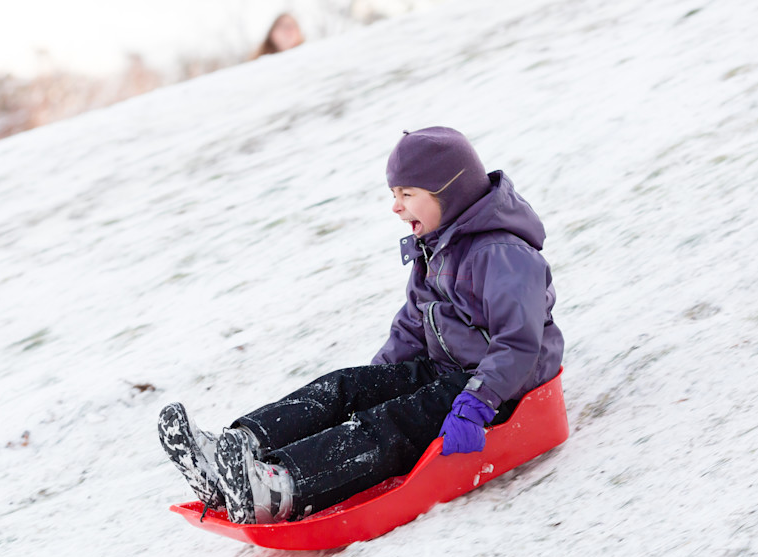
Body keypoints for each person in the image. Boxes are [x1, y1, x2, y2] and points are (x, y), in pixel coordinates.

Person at [158, 126, 564, 525]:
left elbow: (519, 344)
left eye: (407, 194)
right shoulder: (438, 248)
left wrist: (478, 402)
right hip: (448, 372)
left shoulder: (503, 255)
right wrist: (376, 380)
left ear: (449, 191)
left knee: (392, 424)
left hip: (498, 389)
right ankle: (238, 452)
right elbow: (412, 326)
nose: (396, 206)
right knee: (346, 387)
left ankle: (279, 488)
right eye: (393, 195)